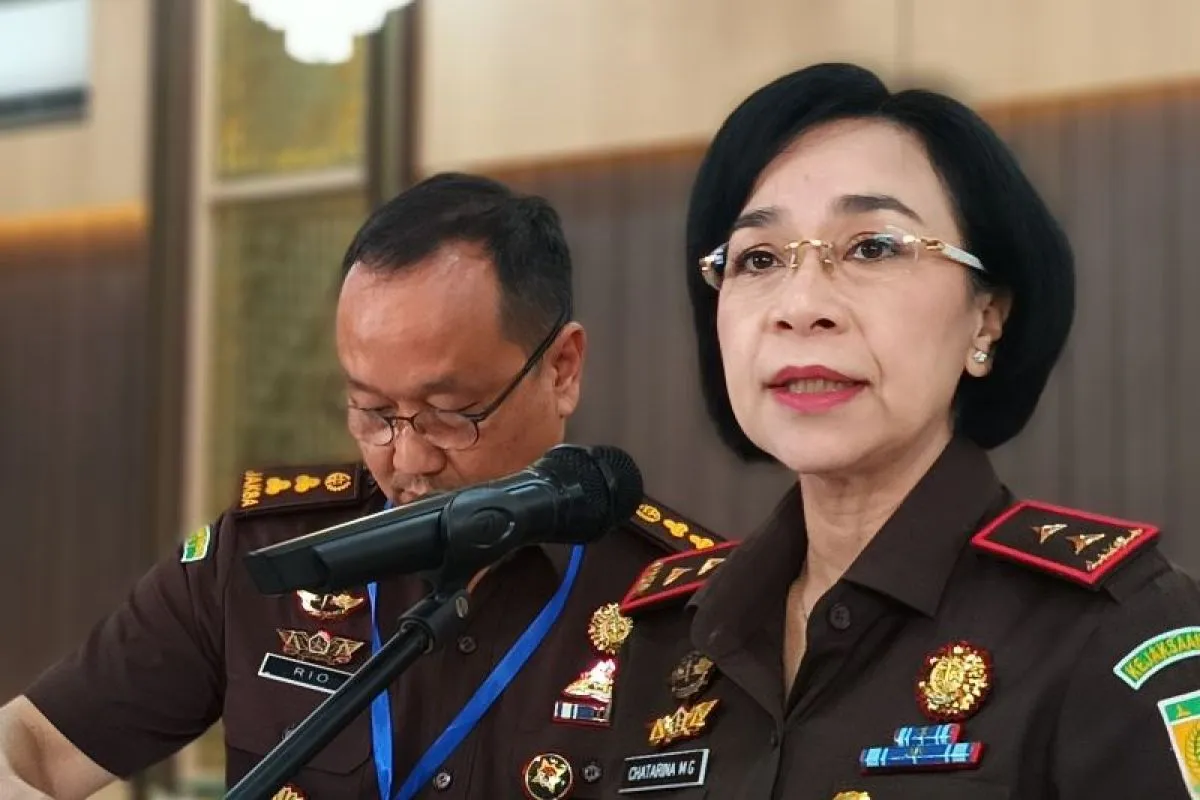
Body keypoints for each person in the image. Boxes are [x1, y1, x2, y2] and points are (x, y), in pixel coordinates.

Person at [0, 173, 721, 800]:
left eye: (450, 413)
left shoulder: (691, 603)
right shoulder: (267, 557)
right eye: (373, 411)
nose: (407, 457)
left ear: (561, 369)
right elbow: (29, 745)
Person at [603, 63, 1200, 799]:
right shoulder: (666, 636)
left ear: (986, 318)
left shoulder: (1112, 627)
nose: (801, 306)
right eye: (758, 258)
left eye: (873, 248)